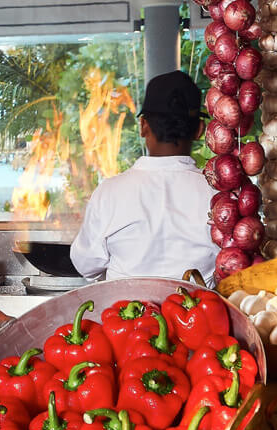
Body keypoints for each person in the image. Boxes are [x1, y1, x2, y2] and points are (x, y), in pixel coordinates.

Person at [70, 70, 218, 282]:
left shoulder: (110, 192)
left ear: (143, 126)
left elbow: (85, 264)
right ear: (200, 130)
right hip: (199, 303)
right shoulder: (217, 194)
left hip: (123, 304)